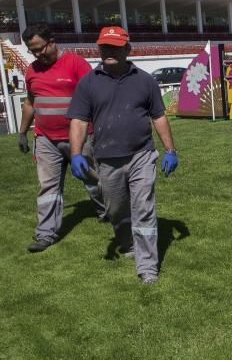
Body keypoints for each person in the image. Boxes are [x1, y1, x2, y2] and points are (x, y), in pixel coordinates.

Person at [66, 26, 178, 285]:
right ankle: (126, 242)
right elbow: (79, 121)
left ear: (128, 49)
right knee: (115, 209)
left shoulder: (145, 80)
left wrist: (170, 150)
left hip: (141, 154)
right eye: (104, 47)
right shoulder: (89, 82)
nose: (109, 52)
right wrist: (76, 154)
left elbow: (158, 116)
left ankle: (147, 266)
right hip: (106, 157)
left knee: (143, 209)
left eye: (115, 47)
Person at [18, 24, 106, 253]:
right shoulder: (32, 70)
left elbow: (95, 98)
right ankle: (45, 234)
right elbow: (30, 102)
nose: (37, 54)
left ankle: (106, 210)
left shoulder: (76, 64)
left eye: (40, 48)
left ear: (52, 41)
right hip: (45, 139)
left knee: (93, 179)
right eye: (32, 50)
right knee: (48, 188)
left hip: (80, 137)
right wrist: (22, 132)